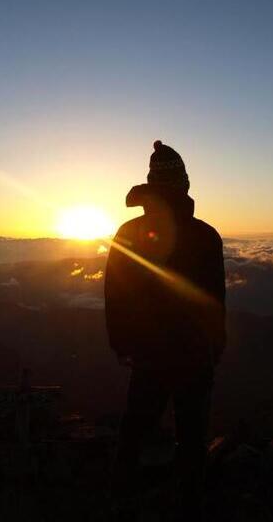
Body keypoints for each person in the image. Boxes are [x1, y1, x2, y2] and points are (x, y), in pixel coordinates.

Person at [105, 140, 226, 521]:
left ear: (152, 185)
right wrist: (216, 345)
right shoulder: (206, 236)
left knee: (136, 427)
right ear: (184, 185)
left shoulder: (128, 232)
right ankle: (190, 504)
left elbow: (115, 294)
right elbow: (214, 299)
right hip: (195, 352)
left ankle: (121, 498)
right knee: (192, 435)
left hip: (148, 352)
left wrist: (121, 342)